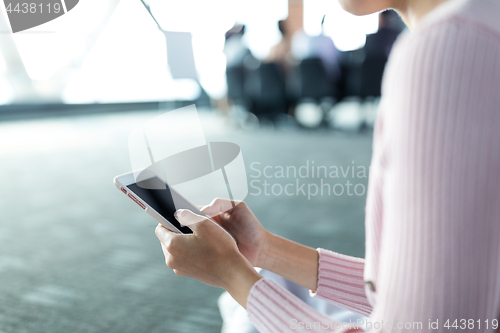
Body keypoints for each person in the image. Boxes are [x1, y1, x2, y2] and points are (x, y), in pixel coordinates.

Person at [155, 0, 500, 331]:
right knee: (269, 285)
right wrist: (266, 250)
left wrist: (232, 275)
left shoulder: (450, 46)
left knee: (244, 314)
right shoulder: (478, 26)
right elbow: (425, 290)